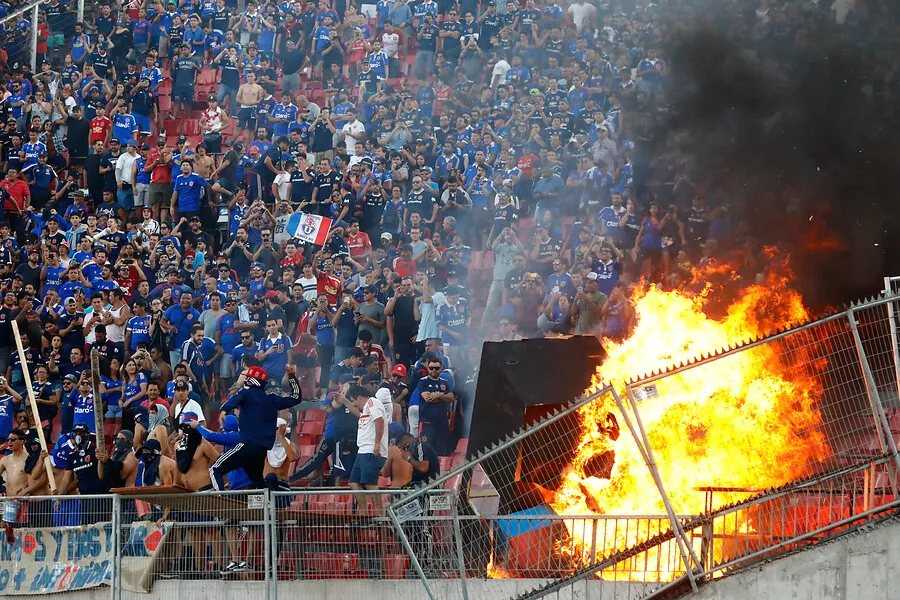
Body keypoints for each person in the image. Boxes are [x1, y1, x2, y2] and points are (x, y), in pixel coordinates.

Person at [211, 365, 301, 490]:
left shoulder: (246, 394)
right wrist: (292, 378)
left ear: (250, 380)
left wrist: (224, 410)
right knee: (258, 482)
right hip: (261, 450)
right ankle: (269, 504)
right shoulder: (272, 400)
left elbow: (235, 398)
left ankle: (220, 499)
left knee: (215, 469)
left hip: (247, 446)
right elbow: (296, 398)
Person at [347, 383, 387, 510]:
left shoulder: (372, 403)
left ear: (359, 397)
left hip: (370, 450)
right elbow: (357, 413)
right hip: (363, 450)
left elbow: (379, 420)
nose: (354, 404)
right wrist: (343, 401)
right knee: (354, 482)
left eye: (353, 401)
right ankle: (364, 512)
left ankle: (381, 514)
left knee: (370, 483)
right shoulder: (365, 409)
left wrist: (377, 443)